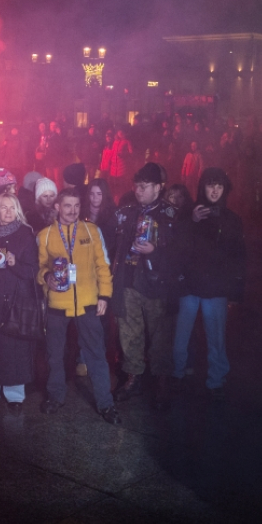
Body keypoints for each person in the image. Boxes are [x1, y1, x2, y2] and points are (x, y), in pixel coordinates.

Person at [37, 189, 119, 423]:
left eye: (76, 206)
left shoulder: (91, 231)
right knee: (54, 355)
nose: (72, 211)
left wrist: (104, 296)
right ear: (57, 207)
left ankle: (106, 404)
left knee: (96, 354)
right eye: (67, 206)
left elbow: (103, 265)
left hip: (87, 303)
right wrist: (46, 277)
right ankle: (55, 397)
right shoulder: (45, 235)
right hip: (57, 304)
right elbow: (40, 268)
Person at [108, 162, 181, 410]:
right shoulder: (126, 212)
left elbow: (180, 256)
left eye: (144, 186)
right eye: (136, 186)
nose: (138, 191)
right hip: (129, 281)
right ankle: (134, 377)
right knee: (130, 333)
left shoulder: (171, 215)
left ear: (158, 187)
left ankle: (161, 380)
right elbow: (112, 244)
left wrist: (154, 252)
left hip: (157, 285)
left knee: (160, 334)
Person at [174, 167, 245, 402]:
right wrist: (192, 221)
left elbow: (238, 256)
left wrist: (236, 291)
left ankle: (216, 380)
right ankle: (177, 374)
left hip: (216, 289)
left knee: (216, 339)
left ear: (225, 189)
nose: (214, 190)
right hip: (190, 286)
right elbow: (178, 246)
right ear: (202, 187)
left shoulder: (232, 219)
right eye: (210, 185)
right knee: (181, 337)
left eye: (219, 186)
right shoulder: (189, 214)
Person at [0, 191, 39, 411]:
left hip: (15, 300)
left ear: (18, 210)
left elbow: (33, 271)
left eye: (12, 207)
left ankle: (15, 396)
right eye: (4, 207)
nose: (8, 212)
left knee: (14, 349)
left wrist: (15, 263)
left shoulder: (26, 235)